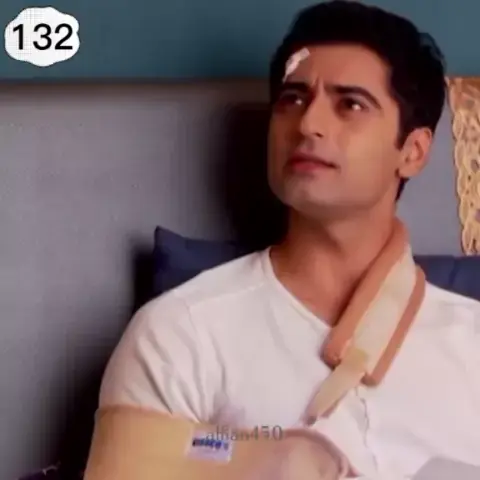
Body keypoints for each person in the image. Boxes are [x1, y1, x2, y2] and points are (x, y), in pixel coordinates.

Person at [97, 1, 480, 478]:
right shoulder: (180, 335)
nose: (308, 124)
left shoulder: (471, 342)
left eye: (350, 104)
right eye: (293, 99)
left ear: (414, 151)